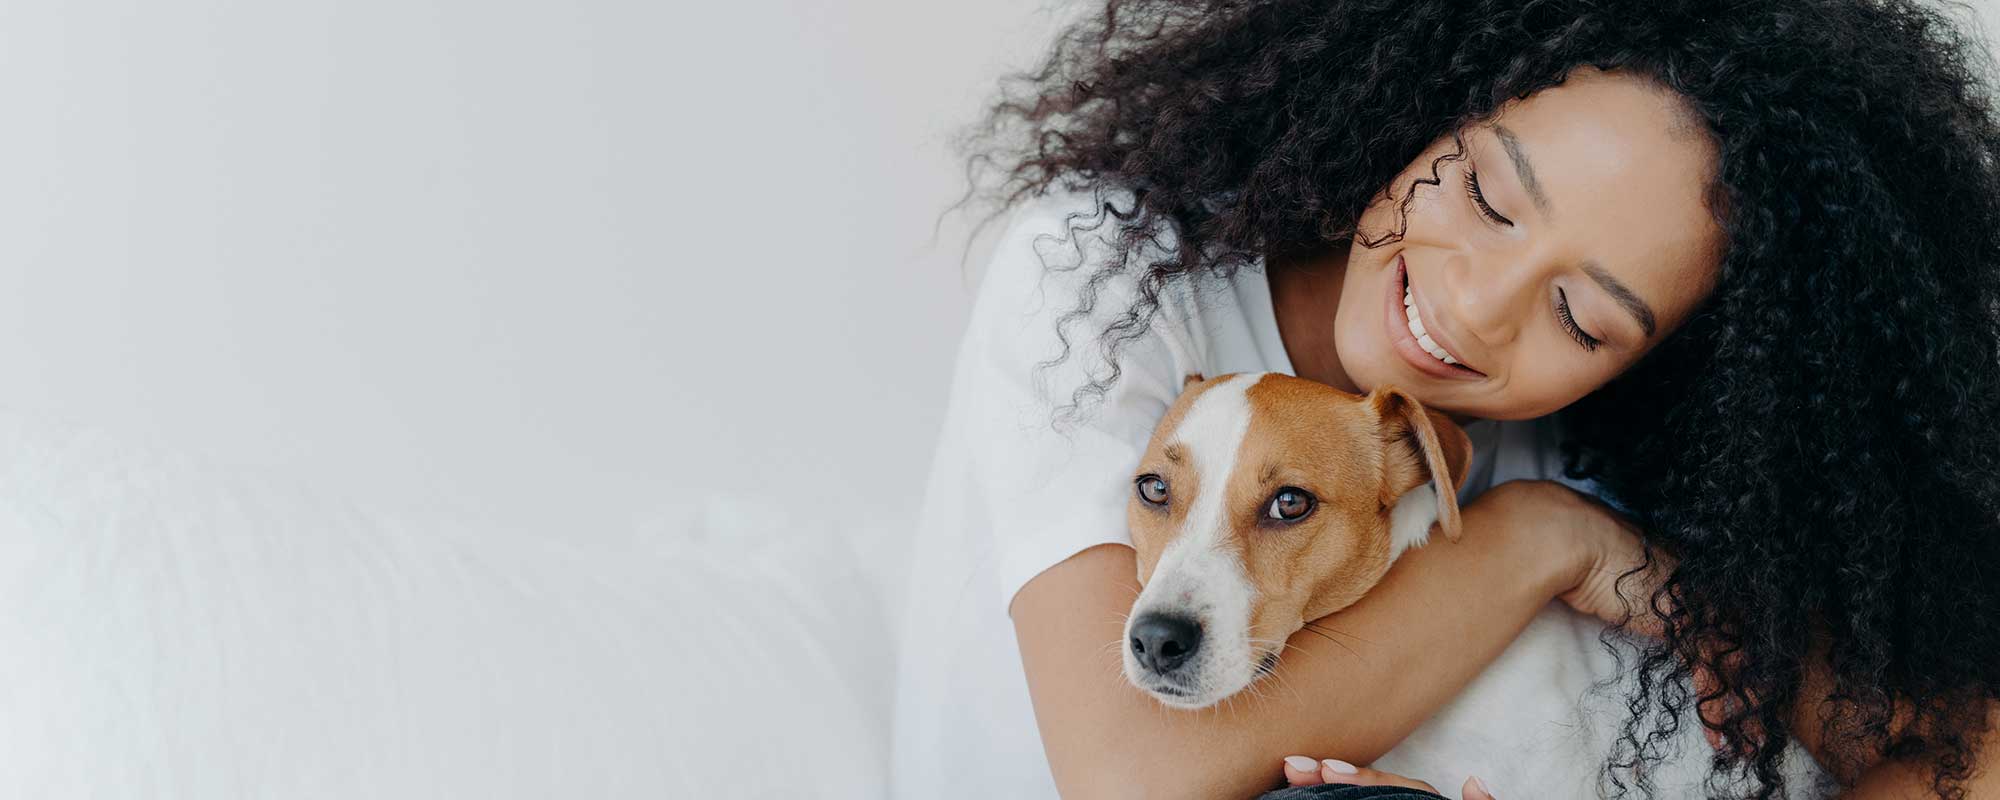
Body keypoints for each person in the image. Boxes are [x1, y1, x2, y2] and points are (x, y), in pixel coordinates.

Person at [890, 1, 2000, 798]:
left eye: (1579, 315)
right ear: (1436, 102)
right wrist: (1541, 540)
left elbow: (1973, 751)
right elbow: (1132, 772)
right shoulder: (1104, 280)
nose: (1470, 307)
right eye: (1483, 192)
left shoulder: (1598, 440)